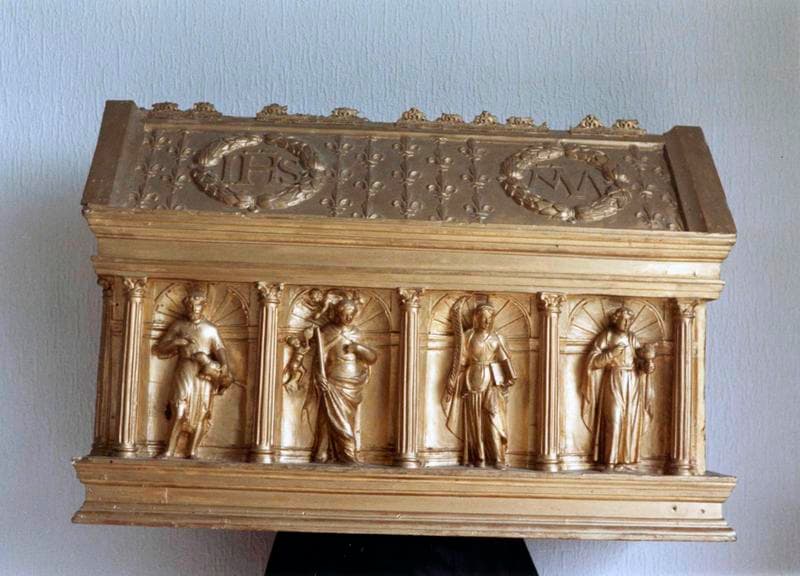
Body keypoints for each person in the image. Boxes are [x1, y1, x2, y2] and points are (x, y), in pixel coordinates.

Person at [154, 289, 234, 458]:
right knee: (179, 409)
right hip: (185, 369)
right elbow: (160, 347)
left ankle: (192, 451)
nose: (193, 310)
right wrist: (176, 342)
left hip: (203, 373)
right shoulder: (179, 325)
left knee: (202, 412)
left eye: (196, 306)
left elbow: (219, 348)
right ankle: (169, 450)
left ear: (202, 307)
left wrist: (225, 366)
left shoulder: (210, 329)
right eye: (189, 307)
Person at [444, 301, 517, 469]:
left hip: (492, 382)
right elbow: (461, 360)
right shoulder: (468, 336)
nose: (486, 321)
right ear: (476, 318)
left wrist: (511, 376)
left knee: (493, 418)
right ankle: (479, 457)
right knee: (474, 421)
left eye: (489, 318)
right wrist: (453, 379)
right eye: (483, 318)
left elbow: (505, 359)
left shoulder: (497, 338)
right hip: (472, 380)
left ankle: (498, 457)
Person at [582, 307, 656, 470]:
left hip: (632, 381)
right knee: (614, 419)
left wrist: (647, 365)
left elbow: (639, 361)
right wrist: (611, 354)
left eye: (630, 321)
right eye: (624, 320)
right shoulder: (607, 336)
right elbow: (593, 361)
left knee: (629, 420)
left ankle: (625, 461)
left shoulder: (632, 338)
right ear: (616, 319)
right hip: (614, 379)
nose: (627, 323)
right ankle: (609, 461)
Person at [310, 296, 377, 464]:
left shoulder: (356, 333)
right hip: (333, 380)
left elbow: (372, 358)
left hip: (353, 383)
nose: (349, 317)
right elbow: (319, 358)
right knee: (328, 417)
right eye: (345, 314)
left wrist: (358, 348)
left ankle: (343, 453)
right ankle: (337, 453)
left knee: (346, 418)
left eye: (352, 314)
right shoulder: (327, 331)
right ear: (337, 314)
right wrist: (319, 376)